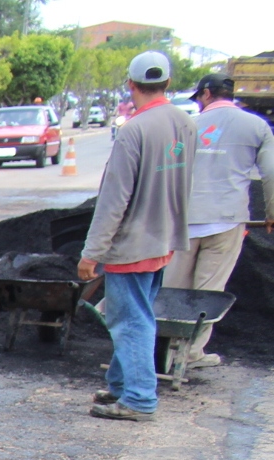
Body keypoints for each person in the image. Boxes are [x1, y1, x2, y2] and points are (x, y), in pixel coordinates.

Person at [80, 51, 198, 421]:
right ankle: (120, 386)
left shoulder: (133, 130)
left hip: (131, 244)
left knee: (131, 322)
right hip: (164, 238)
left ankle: (139, 399)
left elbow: (114, 199)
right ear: (167, 83)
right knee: (137, 315)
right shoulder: (186, 123)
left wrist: (91, 252)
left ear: (131, 85)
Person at [163, 73, 274, 368]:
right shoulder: (257, 126)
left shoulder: (186, 126)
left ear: (207, 94)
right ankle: (191, 354)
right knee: (208, 291)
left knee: (174, 288)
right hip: (228, 220)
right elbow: (271, 173)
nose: (199, 103)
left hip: (183, 221)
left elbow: (168, 169)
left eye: (199, 98)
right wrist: (271, 212)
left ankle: (167, 350)